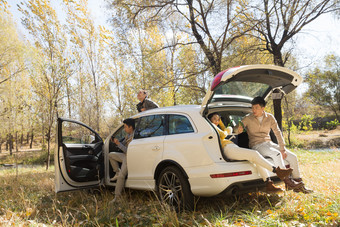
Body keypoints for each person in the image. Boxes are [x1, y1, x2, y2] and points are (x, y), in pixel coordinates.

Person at [238, 96, 313, 193]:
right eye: (252, 107)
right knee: (276, 154)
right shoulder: (248, 118)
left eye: (256, 107)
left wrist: (282, 148)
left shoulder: (269, 117)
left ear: (262, 108)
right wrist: (238, 129)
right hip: (257, 145)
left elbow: (277, 132)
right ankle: (288, 182)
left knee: (293, 157)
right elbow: (236, 128)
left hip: (269, 143)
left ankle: (299, 186)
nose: (254, 110)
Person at [208, 113, 293, 193]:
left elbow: (222, 128)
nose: (216, 121)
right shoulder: (211, 126)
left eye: (218, 119)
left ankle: (269, 184)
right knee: (254, 154)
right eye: (214, 119)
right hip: (227, 148)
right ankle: (276, 171)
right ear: (209, 119)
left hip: (232, 146)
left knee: (255, 159)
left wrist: (222, 122)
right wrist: (228, 129)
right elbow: (223, 134)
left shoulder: (217, 126)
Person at [109, 118, 135, 202]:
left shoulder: (134, 137)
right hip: (124, 155)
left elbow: (128, 151)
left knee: (121, 177)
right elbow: (123, 144)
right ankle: (117, 171)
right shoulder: (128, 135)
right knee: (111, 155)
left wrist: (118, 144)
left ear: (130, 127)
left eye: (125, 127)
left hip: (129, 157)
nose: (124, 129)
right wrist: (115, 142)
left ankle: (117, 197)